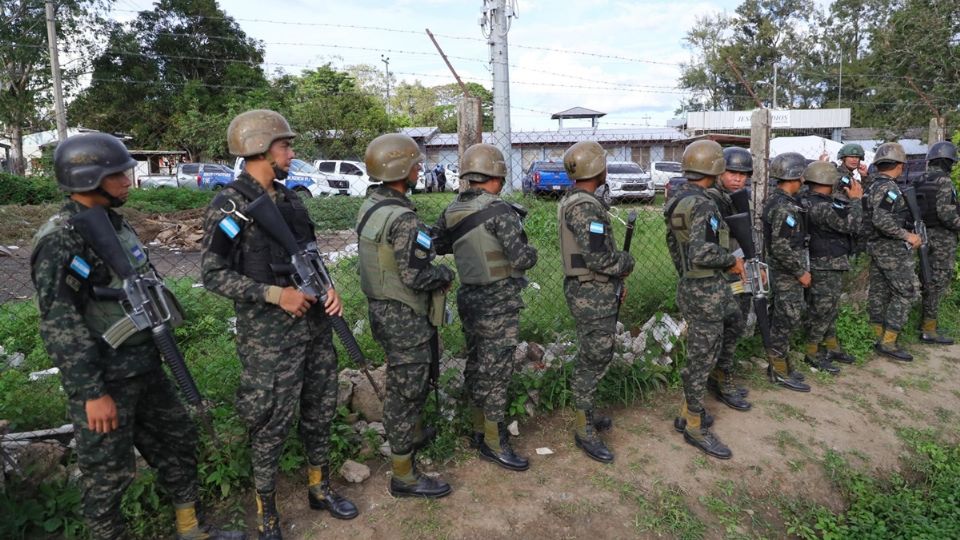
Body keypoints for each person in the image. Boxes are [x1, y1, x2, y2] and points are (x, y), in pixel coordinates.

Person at [31, 133, 244, 540]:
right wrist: (92, 392)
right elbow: (60, 322)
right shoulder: (62, 237)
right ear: (89, 179)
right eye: (118, 174)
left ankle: (190, 528)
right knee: (108, 478)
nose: (128, 179)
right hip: (106, 379)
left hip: (146, 366)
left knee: (178, 443)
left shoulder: (113, 223)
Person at [200, 110, 357, 540]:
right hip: (269, 339)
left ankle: (319, 488)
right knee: (270, 423)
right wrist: (275, 295)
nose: (292, 152)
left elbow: (310, 254)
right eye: (285, 145)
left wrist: (329, 288)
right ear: (260, 149)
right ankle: (266, 511)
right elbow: (212, 275)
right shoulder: (229, 205)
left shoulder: (291, 200)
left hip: (315, 328)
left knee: (320, 409)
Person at [356, 133, 455, 498]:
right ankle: (404, 474)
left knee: (406, 380)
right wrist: (445, 274)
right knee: (406, 389)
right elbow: (416, 274)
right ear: (401, 169)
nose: (419, 169)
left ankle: (412, 434)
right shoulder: (403, 219)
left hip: (382, 308)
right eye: (415, 164)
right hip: (404, 314)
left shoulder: (372, 207)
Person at [433, 143, 538, 471]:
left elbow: (438, 244)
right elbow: (522, 258)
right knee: (498, 373)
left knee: (478, 364)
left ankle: (479, 431)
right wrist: (531, 250)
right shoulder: (501, 211)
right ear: (496, 175)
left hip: (469, 298)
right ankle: (494, 442)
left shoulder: (451, 210)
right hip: (498, 303)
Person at [664, 140, 743, 459]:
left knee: (726, 331)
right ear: (715, 167)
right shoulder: (704, 204)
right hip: (706, 288)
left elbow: (677, 248)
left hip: (695, 285)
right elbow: (701, 251)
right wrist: (729, 260)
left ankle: (688, 413)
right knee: (701, 359)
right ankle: (694, 425)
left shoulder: (677, 200)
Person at [558, 141, 635, 463]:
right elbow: (598, 257)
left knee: (597, 353)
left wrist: (614, 280)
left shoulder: (578, 201)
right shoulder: (585, 207)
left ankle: (586, 413)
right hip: (592, 292)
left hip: (596, 289)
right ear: (596, 169)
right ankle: (583, 427)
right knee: (594, 355)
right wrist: (625, 264)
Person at [798, 161, 864, 374]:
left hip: (827, 262)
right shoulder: (821, 207)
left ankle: (831, 345)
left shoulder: (811, 201)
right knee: (823, 310)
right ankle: (812, 351)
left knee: (829, 308)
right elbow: (853, 225)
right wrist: (855, 201)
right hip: (825, 264)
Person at [703, 147, 753, 411]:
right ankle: (721, 380)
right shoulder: (713, 200)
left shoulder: (737, 197)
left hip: (739, 269)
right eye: (732, 172)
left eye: (743, 174)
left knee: (735, 325)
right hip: (722, 273)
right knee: (726, 327)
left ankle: (722, 376)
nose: (738, 178)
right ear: (719, 171)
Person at [864, 142, 922, 361]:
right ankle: (888, 342)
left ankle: (874, 335)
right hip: (890, 249)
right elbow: (881, 219)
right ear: (899, 165)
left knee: (879, 292)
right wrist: (907, 236)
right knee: (907, 291)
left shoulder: (872, 184)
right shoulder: (889, 188)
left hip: (877, 246)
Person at [762, 152, 812, 392]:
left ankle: (779, 364)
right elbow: (782, 246)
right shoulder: (785, 208)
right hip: (786, 274)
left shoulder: (780, 200)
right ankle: (779, 370)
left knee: (782, 318)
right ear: (796, 176)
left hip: (783, 271)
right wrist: (800, 271)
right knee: (786, 319)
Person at [913, 141, 960, 344]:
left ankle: (925, 324)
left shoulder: (920, 179)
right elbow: (946, 214)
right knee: (936, 282)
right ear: (948, 162)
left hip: (922, 235)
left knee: (926, 278)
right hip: (942, 238)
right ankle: (929, 329)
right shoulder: (945, 182)